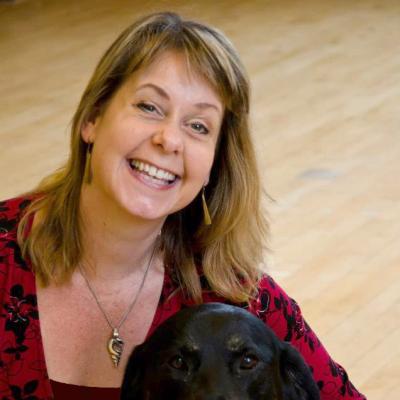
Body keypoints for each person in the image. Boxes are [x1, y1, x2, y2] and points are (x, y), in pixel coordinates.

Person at [0, 12, 366, 400]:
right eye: (149, 107)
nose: (169, 139)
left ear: (214, 161)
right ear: (92, 117)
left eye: (198, 127)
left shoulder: (241, 297)